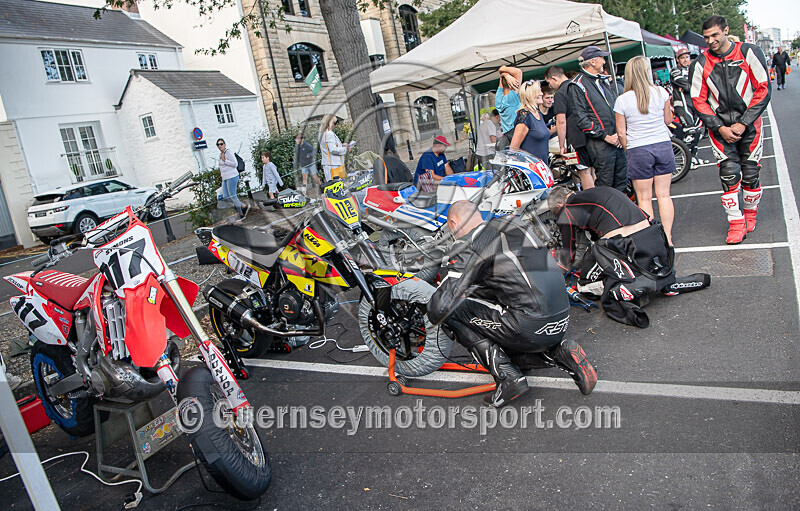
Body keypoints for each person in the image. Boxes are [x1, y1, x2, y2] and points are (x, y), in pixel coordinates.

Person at [427, 200, 597, 408]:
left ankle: (508, 378)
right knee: (496, 311)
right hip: (560, 319)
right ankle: (558, 355)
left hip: (529, 324)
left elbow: (439, 308)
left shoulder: (469, 244)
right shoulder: (513, 223)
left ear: (453, 223)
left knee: (453, 313)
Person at [548, 186, 710, 328]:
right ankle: (653, 281)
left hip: (626, 244)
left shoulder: (568, 208)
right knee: (601, 249)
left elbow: (568, 250)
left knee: (586, 282)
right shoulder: (596, 193)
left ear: (559, 205)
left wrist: (558, 271)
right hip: (653, 239)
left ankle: (628, 288)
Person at [690, 15, 771, 244]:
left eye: (715, 35)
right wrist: (720, 127)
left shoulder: (749, 52)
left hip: (750, 126)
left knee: (751, 173)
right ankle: (736, 222)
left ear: (726, 31)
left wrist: (743, 123)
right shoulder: (700, 63)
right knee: (728, 174)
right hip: (720, 131)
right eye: (707, 37)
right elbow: (698, 100)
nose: (711, 41)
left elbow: (763, 89)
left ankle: (750, 213)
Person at [614, 56, 676, 245]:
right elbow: (668, 120)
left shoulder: (622, 100)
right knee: (664, 195)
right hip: (662, 145)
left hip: (638, 149)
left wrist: (628, 149)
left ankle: (653, 239)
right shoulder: (661, 92)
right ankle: (669, 237)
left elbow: (621, 133)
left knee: (644, 198)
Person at [569, 46, 628, 192]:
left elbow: (615, 108)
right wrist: (606, 136)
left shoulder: (603, 81)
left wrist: (619, 134)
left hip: (616, 140)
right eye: (602, 58)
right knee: (606, 184)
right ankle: (605, 214)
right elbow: (582, 119)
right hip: (600, 143)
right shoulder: (577, 85)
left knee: (622, 182)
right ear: (593, 62)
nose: (604, 61)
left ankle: (622, 214)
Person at [545, 65, 595, 189]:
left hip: (576, 138)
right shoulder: (578, 86)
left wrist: (562, 146)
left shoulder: (561, 93)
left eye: (549, 82)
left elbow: (561, 121)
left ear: (554, 78)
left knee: (584, 172)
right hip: (591, 134)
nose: (550, 86)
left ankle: (594, 201)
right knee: (593, 170)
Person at [669, 48, 707, 168]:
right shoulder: (675, 71)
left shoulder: (691, 70)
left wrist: (692, 85)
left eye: (687, 57)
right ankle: (685, 160)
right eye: (682, 58)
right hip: (682, 104)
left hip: (693, 103)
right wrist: (692, 85)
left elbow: (701, 82)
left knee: (697, 132)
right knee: (690, 131)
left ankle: (693, 157)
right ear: (677, 59)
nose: (685, 60)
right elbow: (684, 84)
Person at [509, 80, 550, 162]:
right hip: (531, 168)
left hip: (542, 167)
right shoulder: (525, 116)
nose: (541, 93)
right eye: (539, 91)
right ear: (531, 95)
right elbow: (513, 148)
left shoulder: (538, 113)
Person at [216, 138, 249, 219]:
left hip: (232, 176)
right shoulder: (220, 155)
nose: (220, 146)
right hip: (225, 178)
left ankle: (241, 212)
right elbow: (221, 167)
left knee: (232, 195)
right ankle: (243, 206)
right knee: (226, 196)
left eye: (221, 144)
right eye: (218, 144)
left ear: (224, 144)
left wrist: (225, 160)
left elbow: (235, 164)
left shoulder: (228, 152)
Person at [494, 65, 522, 151]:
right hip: (516, 136)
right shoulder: (512, 98)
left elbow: (501, 72)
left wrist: (505, 75)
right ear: (512, 83)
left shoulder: (499, 99)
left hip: (507, 137)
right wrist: (506, 75)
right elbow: (518, 72)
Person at [319, 114, 351, 182]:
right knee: (337, 186)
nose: (334, 125)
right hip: (334, 165)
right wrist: (345, 149)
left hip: (328, 164)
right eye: (334, 123)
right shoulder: (329, 133)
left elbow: (328, 147)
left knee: (331, 186)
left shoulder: (322, 134)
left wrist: (341, 145)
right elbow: (333, 150)